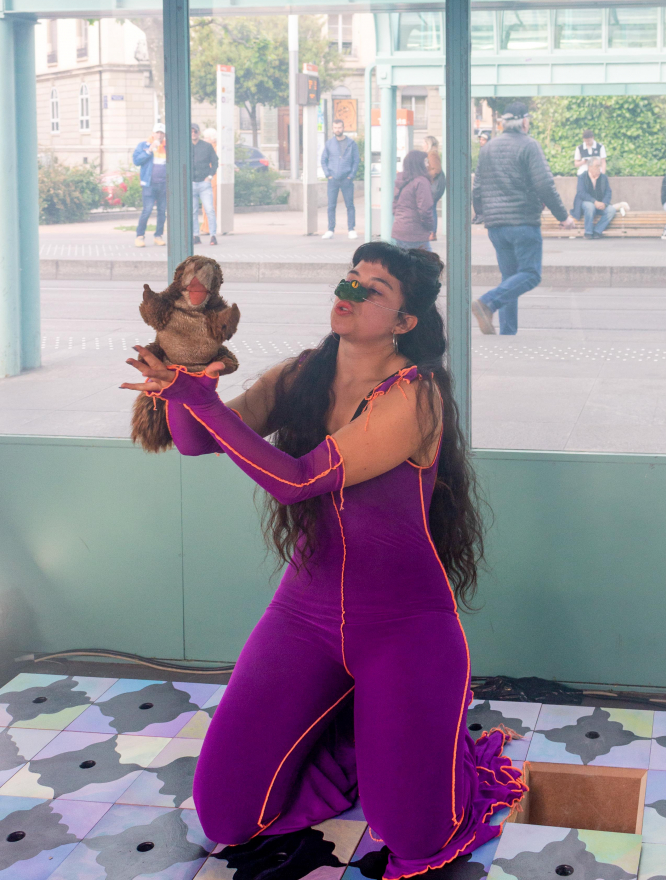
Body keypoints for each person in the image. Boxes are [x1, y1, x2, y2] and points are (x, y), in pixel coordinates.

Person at [121, 242, 526, 880]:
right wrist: (186, 376)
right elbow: (197, 440)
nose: (350, 291)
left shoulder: (416, 395)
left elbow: (299, 481)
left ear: (404, 322)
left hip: (404, 625)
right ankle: (362, 738)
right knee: (226, 817)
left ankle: (412, 740)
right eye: (349, 278)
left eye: (373, 289)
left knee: (414, 834)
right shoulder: (303, 373)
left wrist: (197, 397)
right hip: (303, 616)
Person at [471, 100, 574, 336]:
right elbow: (544, 184)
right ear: (524, 122)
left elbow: (477, 188)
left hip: (496, 226)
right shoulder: (529, 145)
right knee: (530, 274)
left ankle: (508, 332)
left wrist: (485, 214)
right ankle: (487, 303)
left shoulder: (487, 148)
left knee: (510, 278)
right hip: (523, 223)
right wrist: (563, 216)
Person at [322, 118, 359, 240]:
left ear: (343, 128)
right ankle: (330, 230)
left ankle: (351, 229)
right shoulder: (329, 144)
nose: (337, 130)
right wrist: (328, 175)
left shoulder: (351, 143)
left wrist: (351, 175)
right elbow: (323, 160)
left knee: (350, 205)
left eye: (339, 127)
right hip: (333, 179)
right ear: (333, 129)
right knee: (331, 206)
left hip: (346, 179)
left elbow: (356, 160)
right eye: (335, 128)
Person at [392, 150, 435, 251]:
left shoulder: (401, 180)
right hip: (415, 232)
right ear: (419, 163)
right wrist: (430, 227)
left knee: (404, 259)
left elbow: (394, 205)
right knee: (427, 260)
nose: (428, 164)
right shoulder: (421, 182)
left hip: (399, 229)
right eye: (426, 161)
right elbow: (425, 209)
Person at [132, 128, 167, 248]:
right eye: (157, 132)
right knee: (147, 210)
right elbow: (136, 161)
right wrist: (149, 150)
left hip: (163, 184)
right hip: (149, 184)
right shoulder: (144, 145)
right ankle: (140, 236)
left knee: (162, 211)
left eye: (162, 133)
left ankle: (158, 236)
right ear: (153, 134)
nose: (159, 135)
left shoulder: (167, 147)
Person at [572, 156, 617, 239]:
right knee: (590, 206)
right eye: (597, 166)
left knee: (611, 210)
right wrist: (594, 202)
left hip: (600, 204)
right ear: (590, 167)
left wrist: (604, 203)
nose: (599, 168)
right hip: (585, 203)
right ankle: (588, 232)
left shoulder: (603, 177)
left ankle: (597, 231)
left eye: (600, 165)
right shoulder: (582, 177)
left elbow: (608, 192)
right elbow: (581, 193)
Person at [192, 123, 218, 247]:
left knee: (209, 209)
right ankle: (196, 235)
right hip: (191, 183)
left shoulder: (207, 146)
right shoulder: (186, 146)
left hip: (204, 183)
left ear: (199, 132)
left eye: (195, 131)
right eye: (191, 131)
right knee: (193, 211)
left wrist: (210, 176)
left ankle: (213, 235)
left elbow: (215, 162)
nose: (193, 133)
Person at [423, 135, 445, 241]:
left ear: (428, 144)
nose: (422, 145)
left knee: (430, 208)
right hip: (432, 185)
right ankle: (431, 232)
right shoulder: (430, 154)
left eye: (424, 143)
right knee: (430, 208)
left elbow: (436, 170)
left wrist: (425, 175)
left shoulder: (432, 154)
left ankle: (432, 233)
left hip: (434, 186)